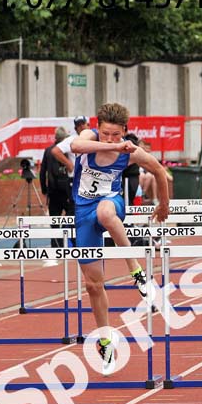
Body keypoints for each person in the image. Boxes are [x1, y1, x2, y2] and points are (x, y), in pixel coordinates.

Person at [70, 103, 170, 374]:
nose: (111, 139)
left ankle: (136, 272)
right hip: (82, 212)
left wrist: (164, 204)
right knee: (93, 284)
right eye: (106, 134)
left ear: (125, 131)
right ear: (97, 129)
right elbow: (76, 148)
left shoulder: (131, 153)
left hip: (111, 205)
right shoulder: (90, 139)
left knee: (104, 211)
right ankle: (105, 339)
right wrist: (110, 146)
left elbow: (161, 171)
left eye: (117, 135)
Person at [40, 126, 74, 247]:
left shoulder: (48, 150)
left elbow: (43, 171)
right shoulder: (65, 150)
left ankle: (55, 245)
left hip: (53, 190)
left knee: (54, 220)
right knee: (71, 218)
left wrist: (44, 189)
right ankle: (71, 244)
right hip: (66, 189)